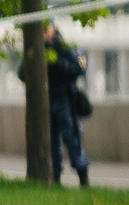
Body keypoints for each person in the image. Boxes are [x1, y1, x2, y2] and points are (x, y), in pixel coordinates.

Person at [37, 22, 92, 188]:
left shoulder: (65, 47)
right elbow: (23, 73)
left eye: (46, 28)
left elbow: (80, 68)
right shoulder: (38, 48)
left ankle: (83, 178)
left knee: (72, 138)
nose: (44, 32)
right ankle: (55, 178)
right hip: (46, 100)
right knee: (50, 142)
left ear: (53, 28)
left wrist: (57, 63)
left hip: (66, 100)